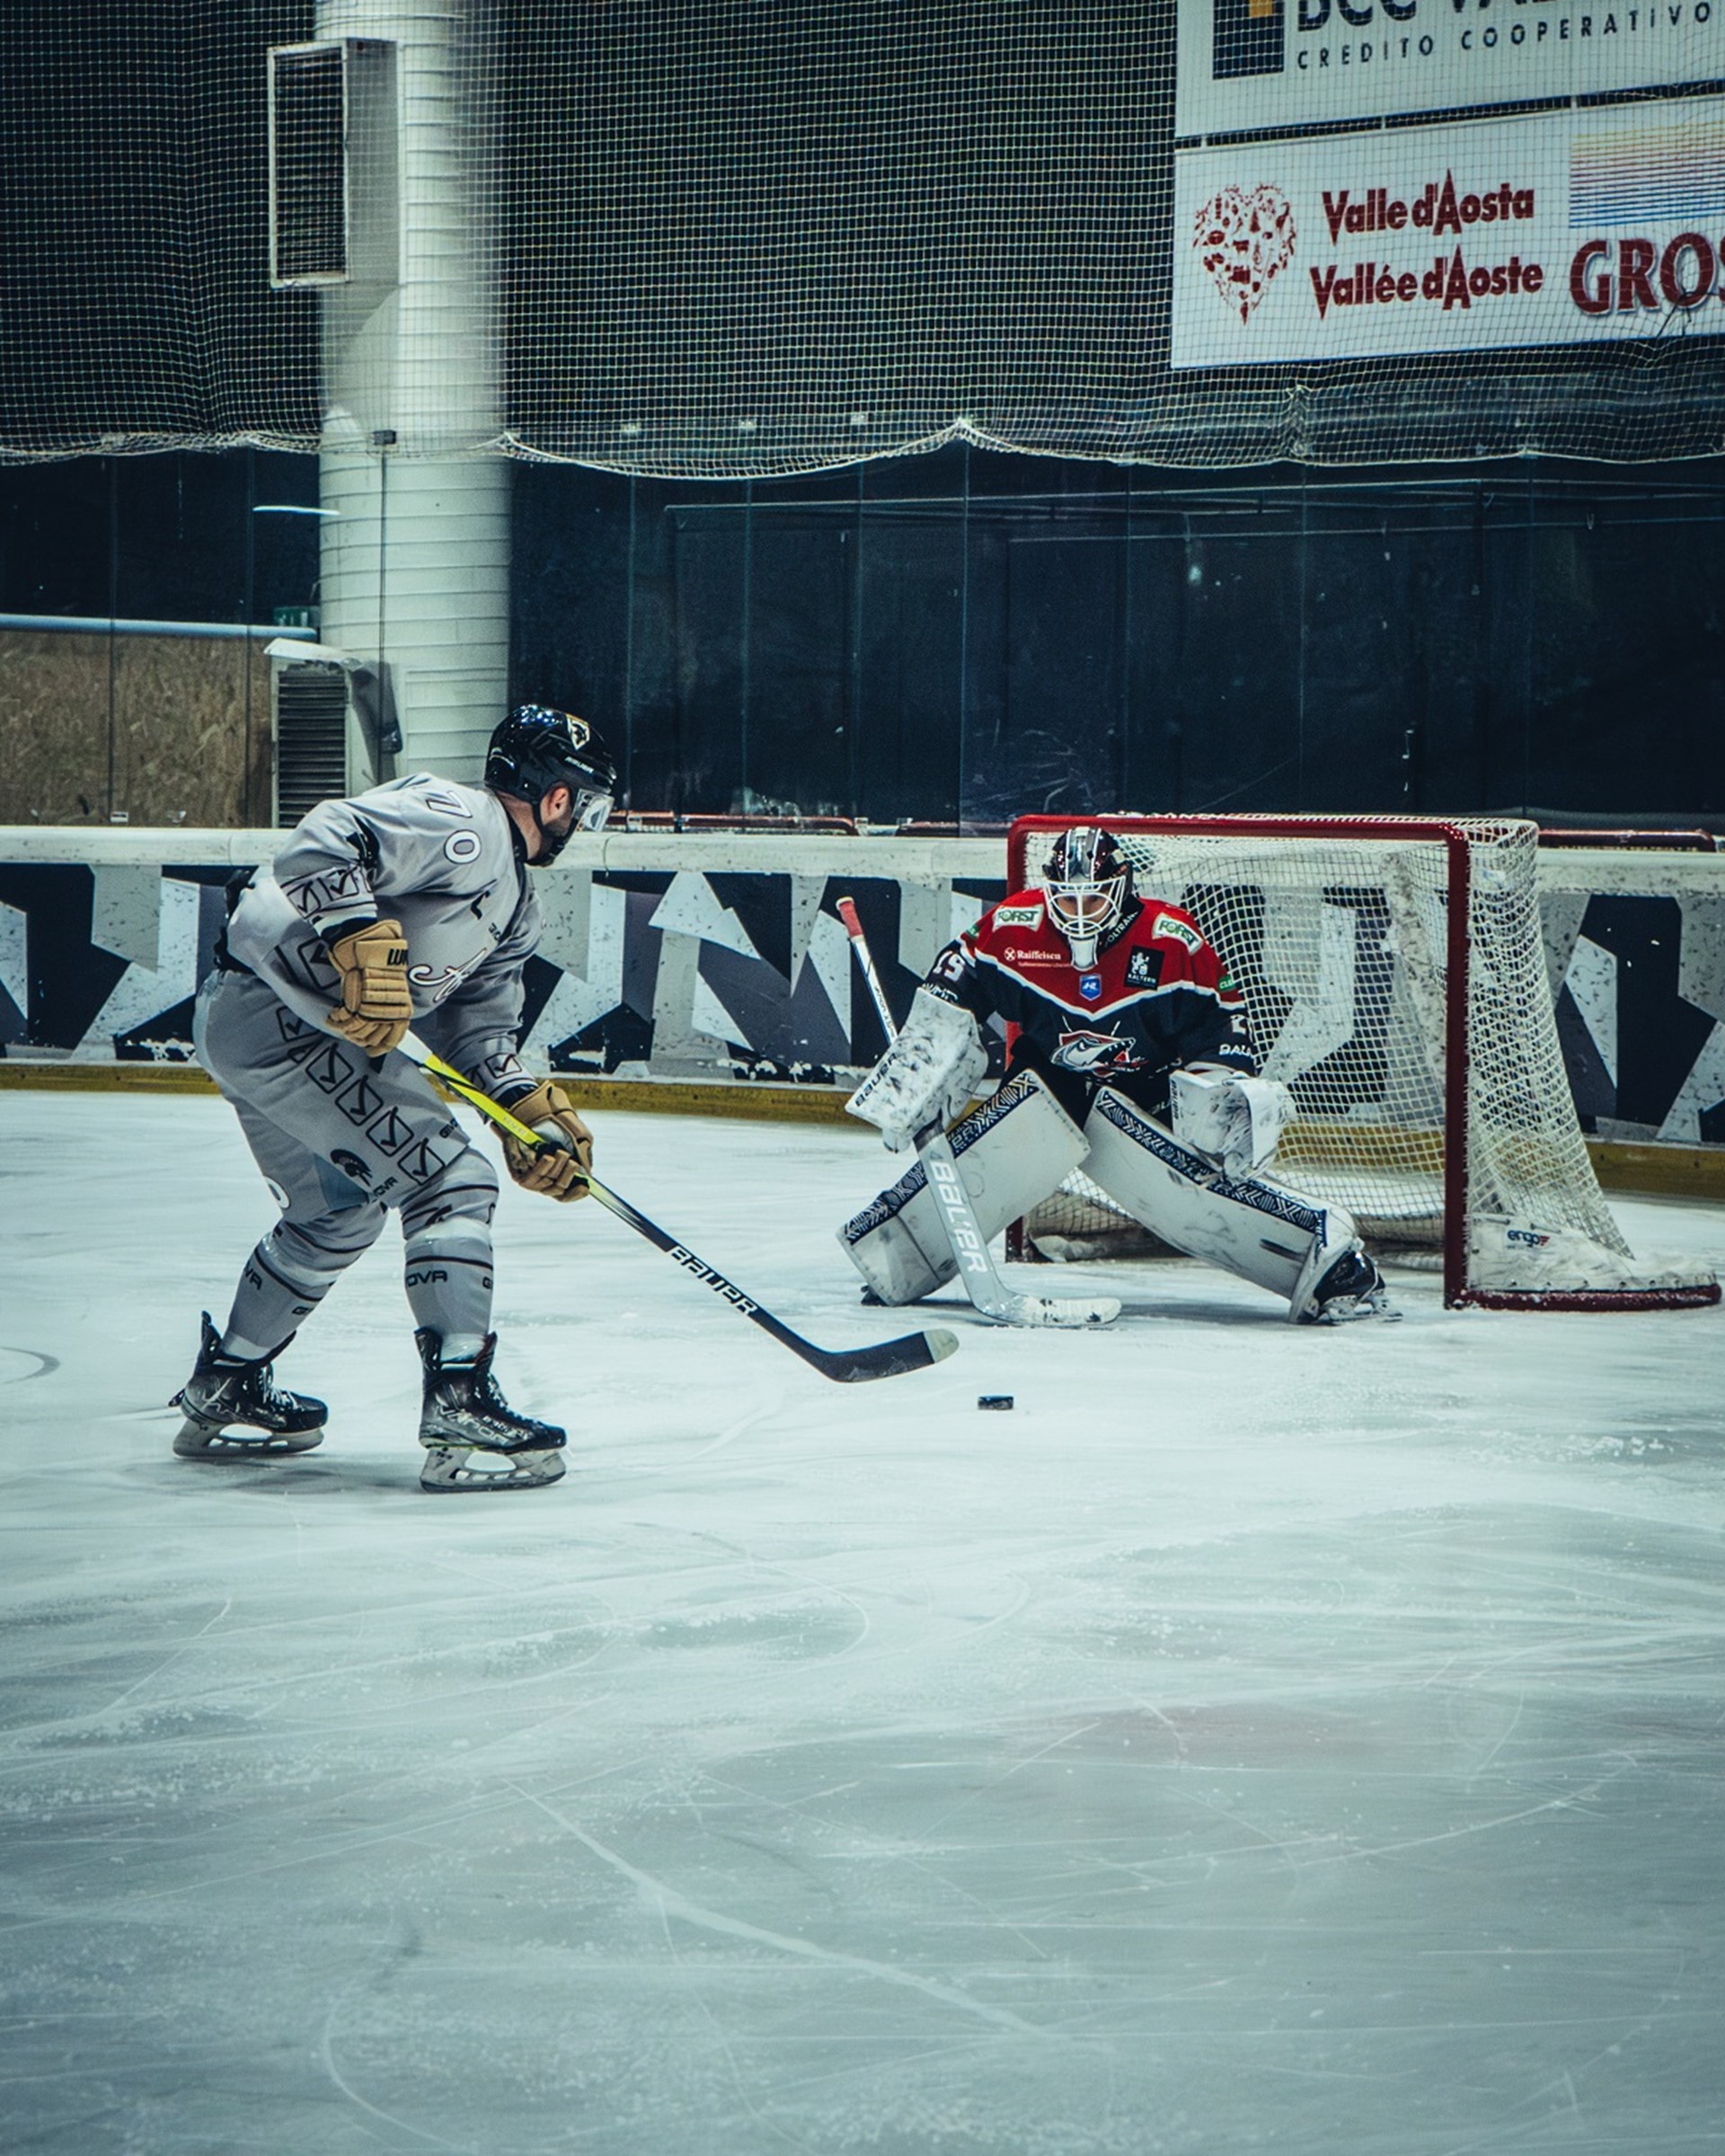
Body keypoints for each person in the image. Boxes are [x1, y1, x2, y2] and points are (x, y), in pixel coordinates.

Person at [170, 705, 617, 1492]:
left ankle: (227, 1381)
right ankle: (459, 1398)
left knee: (336, 1214)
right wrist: (357, 939)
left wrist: (526, 1113)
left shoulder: (517, 907)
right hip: (284, 1021)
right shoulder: (466, 823)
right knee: (452, 1183)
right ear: (557, 798)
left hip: (258, 1022)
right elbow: (326, 834)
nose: (580, 822)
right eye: (585, 805)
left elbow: (478, 1035)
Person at [838, 824, 1392, 1324]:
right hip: (1050, 1080)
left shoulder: (1172, 941)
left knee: (1187, 1194)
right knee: (999, 1150)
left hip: (1146, 1089)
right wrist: (926, 1059)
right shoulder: (1013, 929)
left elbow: (1221, 1029)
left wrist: (1220, 1097)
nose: (1079, 912)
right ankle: (899, 1254)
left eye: (1094, 898)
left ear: (1122, 887)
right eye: (1066, 898)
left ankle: (1334, 1262)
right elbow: (955, 979)